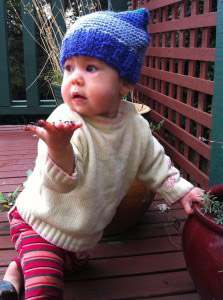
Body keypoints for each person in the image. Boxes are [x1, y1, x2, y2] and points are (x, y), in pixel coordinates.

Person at [0, 8, 203, 300]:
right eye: (69, 68)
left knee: (68, 265)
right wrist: (59, 147)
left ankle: (14, 273)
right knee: (45, 284)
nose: (75, 79)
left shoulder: (134, 126)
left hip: (81, 233)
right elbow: (62, 182)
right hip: (39, 220)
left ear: (124, 82)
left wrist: (182, 191)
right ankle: (27, 271)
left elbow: (155, 163)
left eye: (90, 68)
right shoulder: (65, 122)